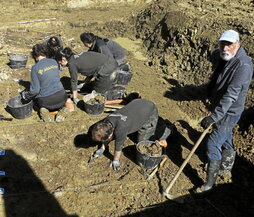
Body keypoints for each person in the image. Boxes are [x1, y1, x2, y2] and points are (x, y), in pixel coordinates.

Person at [196, 30, 253, 194]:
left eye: (230, 44)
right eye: (222, 44)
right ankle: (226, 167)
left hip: (230, 111)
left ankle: (209, 185)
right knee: (225, 136)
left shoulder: (244, 66)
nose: (225, 48)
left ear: (238, 45)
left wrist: (213, 117)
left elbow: (231, 96)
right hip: (220, 106)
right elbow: (215, 59)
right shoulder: (222, 55)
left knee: (213, 143)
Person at [89, 99, 171, 171]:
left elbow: (118, 148)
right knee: (132, 129)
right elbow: (108, 135)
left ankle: (167, 129)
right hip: (138, 104)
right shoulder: (106, 121)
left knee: (142, 143)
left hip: (150, 110)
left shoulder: (120, 130)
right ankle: (137, 122)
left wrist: (115, 160)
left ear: (110, 134)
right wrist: (102, 148)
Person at [20, 44, 69, 122]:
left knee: (36, 101)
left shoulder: (35, 68)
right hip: (62, 97)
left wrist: (26, 96)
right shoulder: (54, 62)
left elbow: (35, 90)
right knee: (60, 102)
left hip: (46, 101)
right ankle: (63, 110)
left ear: (35, 56)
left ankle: (44, 110)